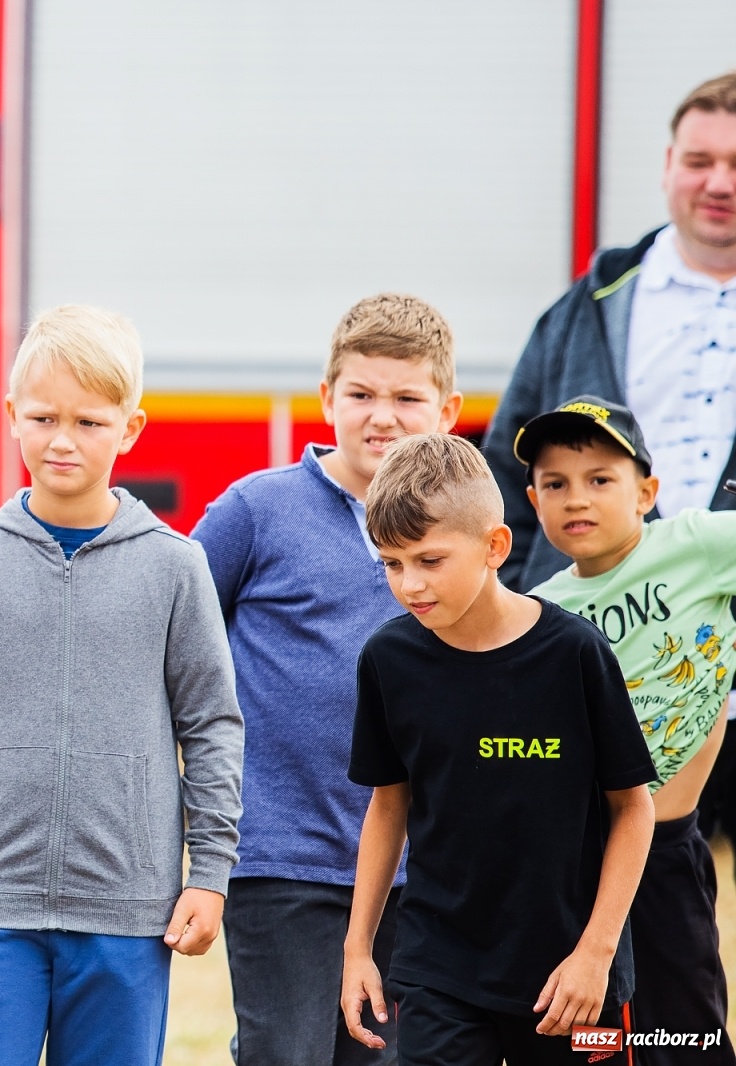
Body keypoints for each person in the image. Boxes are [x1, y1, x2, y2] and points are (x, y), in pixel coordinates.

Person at [0, 305, 245, 1065]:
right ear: (13, 415)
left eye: (89, 421)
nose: (62, 440)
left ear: (131, 428)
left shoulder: (175, 567)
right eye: (44, 417)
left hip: (128, 915)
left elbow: (212, 724)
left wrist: (208, 873)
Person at [192, 293, 461, 1066]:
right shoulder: (257, 511)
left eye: (407, 398)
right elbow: (177, 635)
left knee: (391, 1055)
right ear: (326, 398)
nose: (383, 417)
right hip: (284, 859)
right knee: (288, 1053)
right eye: (362, 395)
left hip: (423, 867)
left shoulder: (468, 530)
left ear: (445, 408)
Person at [341, 433, 656, 1065]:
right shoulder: (388, 659)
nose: (409, 584)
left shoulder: (576, 654)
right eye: (392, 564)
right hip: (440, 966)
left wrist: (595, 953)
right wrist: (357, 950)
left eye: (429, 560)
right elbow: (388, 805)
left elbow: (633, 808)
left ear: (495, 546)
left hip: (570, 976)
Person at [519, 397, 734, 1063]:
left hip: (667, 850)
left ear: (647, 492)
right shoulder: (543, 610)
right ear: (532, 502)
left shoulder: (697, 543)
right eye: (555, 484)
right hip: (580, 859)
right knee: (596, 1039)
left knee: (686, 1032)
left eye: (600, 479)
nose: (576, 499)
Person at [486, 70, 736, 591]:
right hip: (593, 645)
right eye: (699, 162)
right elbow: (505, 475)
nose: (719, 184)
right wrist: (517, 609)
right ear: (669, 166)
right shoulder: (587, 308)